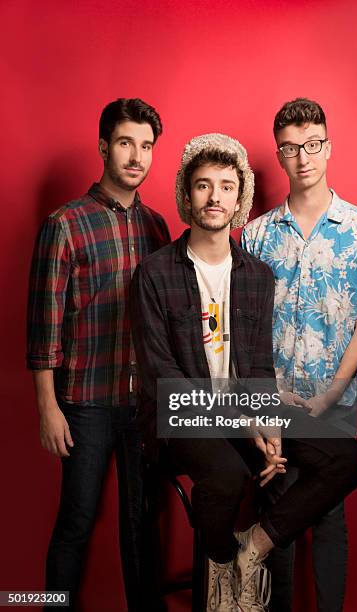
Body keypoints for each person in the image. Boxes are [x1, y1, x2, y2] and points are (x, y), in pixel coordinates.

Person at [131, 132, 357, 612]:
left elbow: (258, 365)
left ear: (239, 198)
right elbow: (163, 381)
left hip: (243, 406)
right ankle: (221, 572)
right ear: (187, 194)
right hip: (179, 417)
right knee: (225, 475)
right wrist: (248, 423)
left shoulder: (258, 275)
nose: (214, 196)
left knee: (348, 458)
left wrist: (268, 418)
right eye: (202, 185)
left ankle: (253, 547)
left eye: (225, 186)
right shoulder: (155, 273)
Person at [241, 97, 357, 612]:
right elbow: (247, 325)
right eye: (290, 149)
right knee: (279, 507)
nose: (303, 158)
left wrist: (332, 392)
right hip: (275, 397)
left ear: (328, 147)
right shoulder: (257, 234)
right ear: (279, 155)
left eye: (312, 146)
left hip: (336, 397)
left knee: (329, 515)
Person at [26, 97, 170, 611]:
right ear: (104, 147)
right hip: (84, 402)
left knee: (141, 523)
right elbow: (45, 324)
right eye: (126, 143)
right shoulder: (65, 224)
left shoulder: (157, 228)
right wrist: (48, 407)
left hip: (144, 406)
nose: (137, 156)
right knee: (77, 520)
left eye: (147, 146)